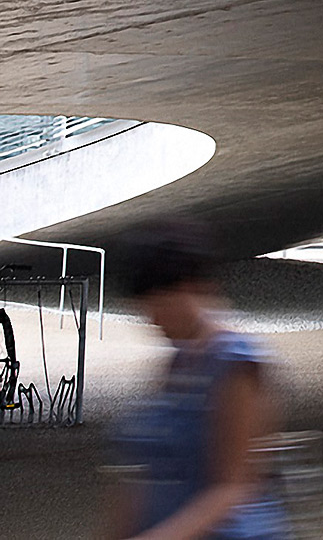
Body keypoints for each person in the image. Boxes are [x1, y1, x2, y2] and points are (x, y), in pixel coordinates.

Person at [105, 217, 289, 540]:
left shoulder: (235, 362)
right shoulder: (179, 361)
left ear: (188, 287)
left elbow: (233, 488)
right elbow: (143, 479)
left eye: (159, 304)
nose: (152, 318)